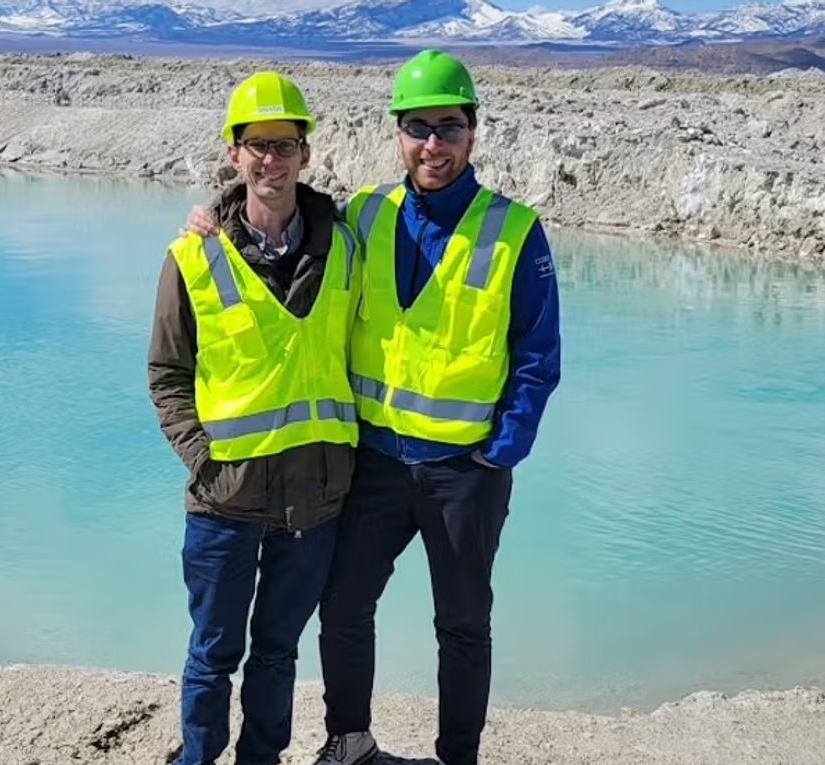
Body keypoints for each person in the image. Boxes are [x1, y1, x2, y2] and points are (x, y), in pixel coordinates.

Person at [184, 49, 561, 765]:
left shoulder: (514, 231)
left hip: (464, 471)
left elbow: (539, 355)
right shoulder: (365, 215)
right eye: (418, 128)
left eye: (448, 128)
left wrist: (500, 448)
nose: (433, 145)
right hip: (375, 465)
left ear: (472, 134)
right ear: (397, 134)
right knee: (345, 606)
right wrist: (211, 218)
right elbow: (278, 232)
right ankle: (350, 742)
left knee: (462, 624)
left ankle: (458, 756)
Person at [148, 70, 361, 765]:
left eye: (285, 144)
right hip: (224, 499)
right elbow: (168, 373)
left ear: (306, 152)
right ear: (234, 153)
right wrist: (204, 456)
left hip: (314, 499)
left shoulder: (348, 247)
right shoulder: (192, 256)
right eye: (257, 145)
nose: (271, 159)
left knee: (277, 654)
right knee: (214, 653)